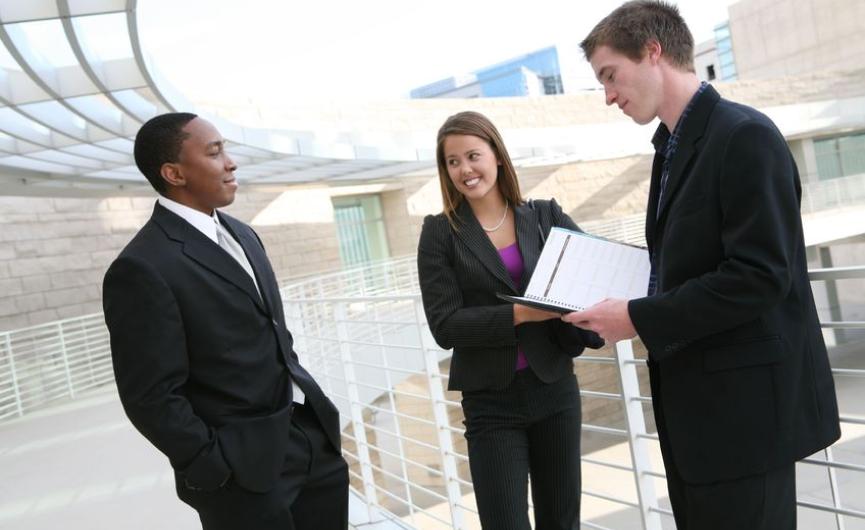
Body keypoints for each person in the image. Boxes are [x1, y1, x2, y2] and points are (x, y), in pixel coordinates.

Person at [564, 2, 841, 528]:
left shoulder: (744, 135)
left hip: (746, 422)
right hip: (699, 422)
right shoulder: (670, 149)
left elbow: (760, 276)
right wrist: (605, 301)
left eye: (609, 76)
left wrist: (639, 317)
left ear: (652, 50)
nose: (608, 97)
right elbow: (683, 267)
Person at [102, 112, 348, 530]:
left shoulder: (243, 233)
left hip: (310, 443)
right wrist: (212, 466)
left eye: (225, 149)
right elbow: (151, 396)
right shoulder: (141, 267)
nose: (230, 162)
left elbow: (272, 333)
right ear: (173, 173)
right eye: (214, 152)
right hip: (241, 474)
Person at [417, 110, 603, 530]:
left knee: (562, 522)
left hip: (554, 390)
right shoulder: (439, 234)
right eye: (452, 161)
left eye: (472, 155)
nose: (465, 169)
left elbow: (595, 270)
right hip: (491, 403)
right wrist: (523, 312)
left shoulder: (544, 216)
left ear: (497, 156)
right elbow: (445, 325)